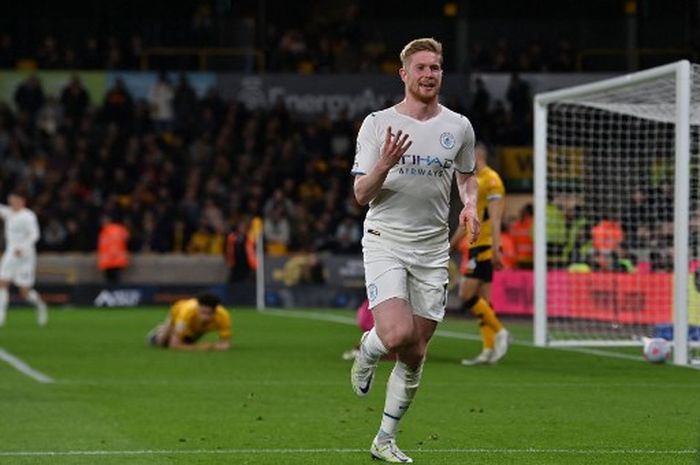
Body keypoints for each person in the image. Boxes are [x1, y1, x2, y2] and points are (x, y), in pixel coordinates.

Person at [350, 37, 479, 463]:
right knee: (396, 335)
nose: (428, 75)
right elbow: (360, 194)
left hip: (432, 250)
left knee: (416, 351)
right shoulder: (377, 124)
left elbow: (466, 176)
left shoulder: (458, 126)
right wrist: (384, 164)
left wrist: (471, 206)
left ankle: (384, 439)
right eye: (420, 68)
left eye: (435, 68)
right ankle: (368, 351)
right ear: (403, 74)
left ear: (441, 74)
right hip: (386, 241)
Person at [450, 143, 509, 366]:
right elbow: (467, 220)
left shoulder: (491, 180)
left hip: (483, 245)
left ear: (477, 156)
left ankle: (501, 332)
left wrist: (496, 248)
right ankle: (488, 349)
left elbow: (495, 218)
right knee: (483, 301)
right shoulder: (474, 181)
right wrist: (451, 245)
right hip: (474, 244)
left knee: (466, 296)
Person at [0, 191, 48, 327]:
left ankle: (41, 306)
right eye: (10, 201)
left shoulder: (28, 216)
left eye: (14, 201)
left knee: (24, 292)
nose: (12, 203)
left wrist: (23, 247)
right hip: (10, 253)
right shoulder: (8, 213)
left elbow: (35, 235)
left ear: (22, 201)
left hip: (25, 256)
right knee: (2, 282)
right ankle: (1, 315)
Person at [146, 292, 231, 351]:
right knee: (162, 343)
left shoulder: (223, 316)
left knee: (187, 342)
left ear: (214, 312)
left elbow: (225, 344)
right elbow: (174, 345)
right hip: (176, 315)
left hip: (197, 327)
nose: (204, 317)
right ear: (198, 307)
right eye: (201, 312)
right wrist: (206, 347)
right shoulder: (186, 313)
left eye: (208, 313)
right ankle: (159, 332)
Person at [97, 214, 130, 284]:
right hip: (115, 260)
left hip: (111, 260)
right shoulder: (118, 229)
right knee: (115, 281)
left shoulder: (105, 231)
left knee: (112, 282)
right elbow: (127, 238)